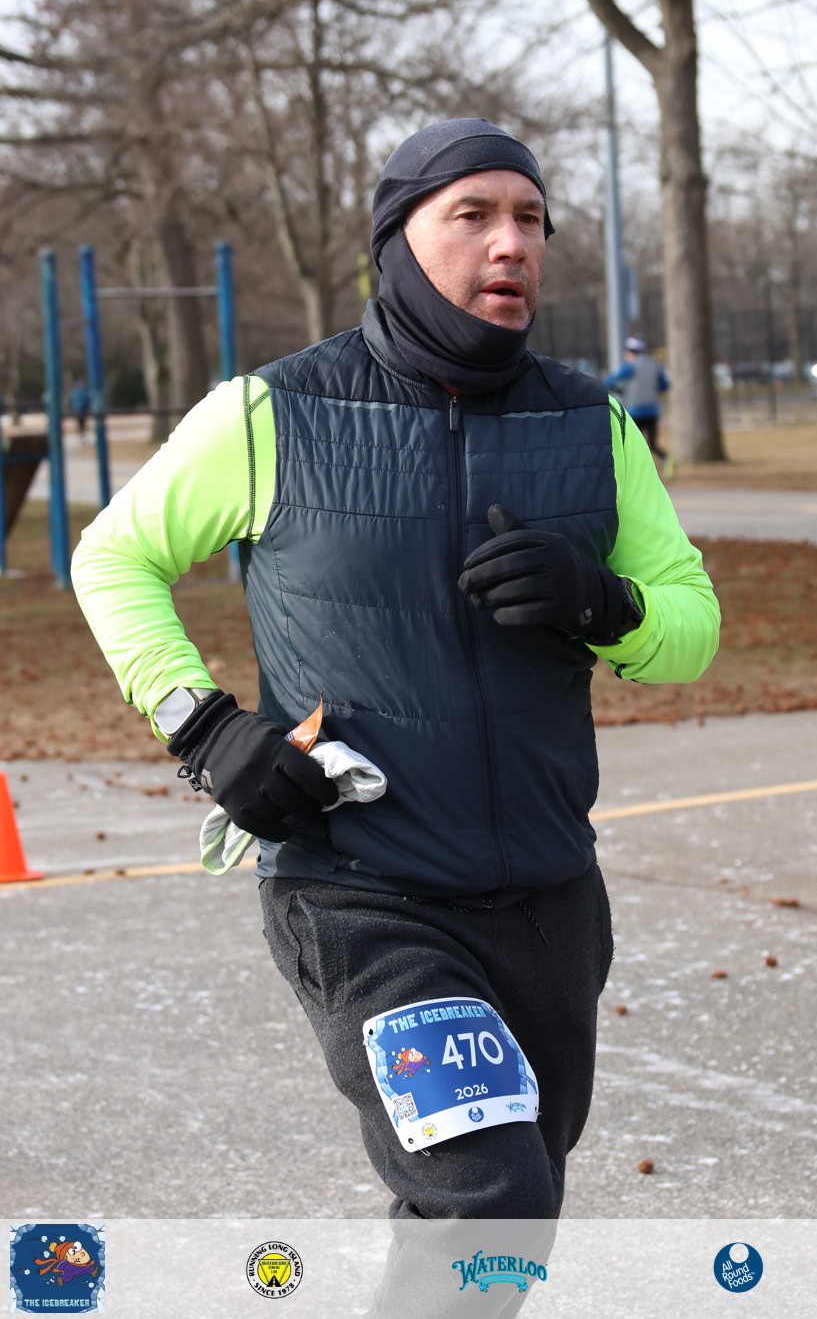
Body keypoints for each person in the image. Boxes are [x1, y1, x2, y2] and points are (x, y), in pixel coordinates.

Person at [71, 118, 719, 1309]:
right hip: (364, 894)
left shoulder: (591, 427)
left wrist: (604, 601)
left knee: (504, 1210)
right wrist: (205, 728)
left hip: (550, 895)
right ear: (398, 241)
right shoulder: (271, 414)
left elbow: (692, 626)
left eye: (529, 219)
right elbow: (114, 557)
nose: (510, 243)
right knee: (488, 1203)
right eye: (472, 215)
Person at [605, 336, 671, 470]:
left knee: (631, 444)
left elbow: (609, 381)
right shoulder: (654, 365)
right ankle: (667, 459)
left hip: (635, 412)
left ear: (630, 352)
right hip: (652, 411)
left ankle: (636, 469)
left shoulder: (630, 367)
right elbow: (664, 386)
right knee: (653, 444)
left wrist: (618, 389)